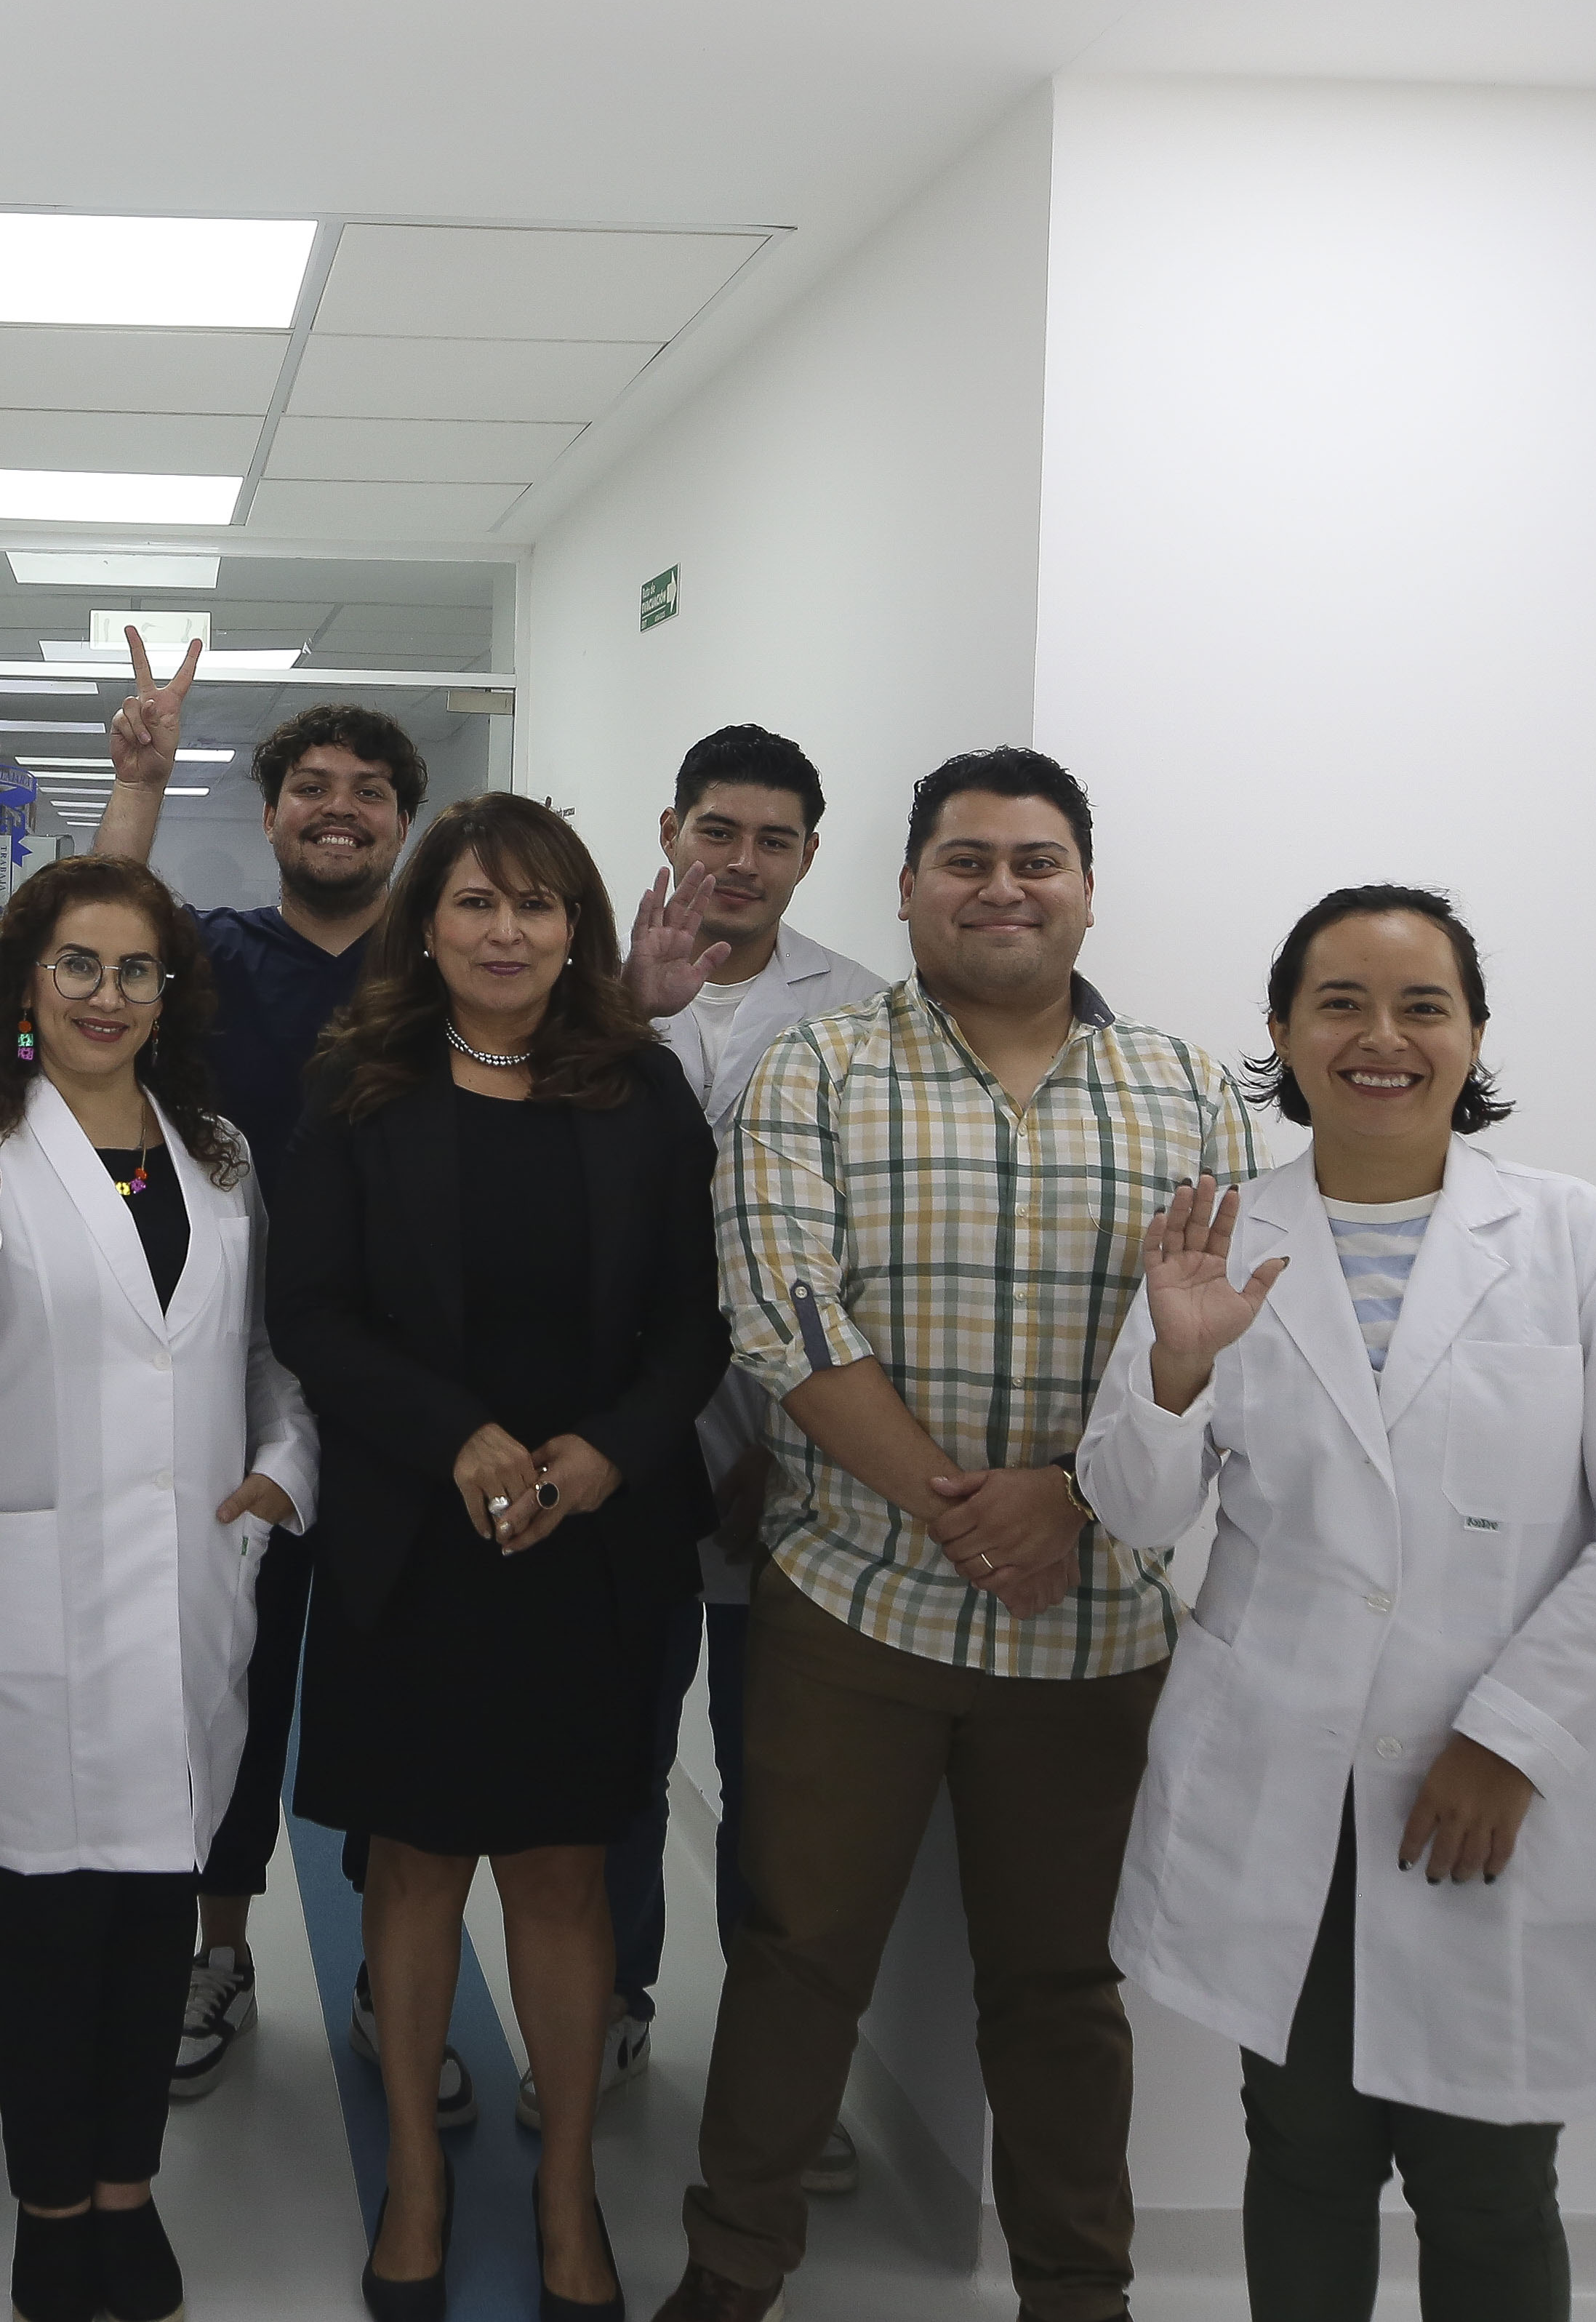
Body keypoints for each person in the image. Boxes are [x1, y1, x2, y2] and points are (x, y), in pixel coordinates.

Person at [655, 748, 1261, 2322]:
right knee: (797, 1956)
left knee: (1063, 1988)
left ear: (1085, 889)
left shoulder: (1192, 1090)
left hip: (1095, 1622)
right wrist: (966, 1508)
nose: (1003, 887)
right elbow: (782, 1312)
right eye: (967, 859)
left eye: (1036, 860)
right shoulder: (818, 1068)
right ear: (910, 884)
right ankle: (731, 2270)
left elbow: (1207, 1337)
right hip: (855, 1605)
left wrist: (1069, 1498)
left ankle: (1078, 2290)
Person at [1078, 886, 1596, 2322]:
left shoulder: (1575, 1238)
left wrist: (1512, 1736)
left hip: (1483, 1791)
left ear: (1473, 1033)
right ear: (1282, 1030)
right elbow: (1134, 1510)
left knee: (1487, 2179)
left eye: (1422, 1005)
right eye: (1340, 1004)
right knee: (1303, 2153)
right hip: (1282, 1784)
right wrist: (1175, 1367)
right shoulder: (1218, 1239)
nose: (1382, 1037)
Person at [272, 794, 732, 2322]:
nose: (506, 931)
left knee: (563, 1870)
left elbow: (693, 1325)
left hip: (589, 1549)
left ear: (575, 928)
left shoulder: (639, 1089)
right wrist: (453, 1434)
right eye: (475, 902)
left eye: (537, 905)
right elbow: (311, 1309)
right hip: (416, 1543)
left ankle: (562, 2191)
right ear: (427, 923)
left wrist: (604, 1451)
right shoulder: (359, 1084)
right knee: (413, 1863)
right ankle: (413, 2173)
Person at [0, 857, 320, 2322]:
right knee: (55, 1925)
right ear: (25, 984)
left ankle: (129, 2187)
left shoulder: (219, 1154)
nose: (106, 995)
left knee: (152, 1916)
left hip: (186, 1594)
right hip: (36, 1595)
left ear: (168, 993)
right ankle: (51, 2208)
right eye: (77, 965)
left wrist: (284, 1467)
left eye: (136, 970)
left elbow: (260, 1355)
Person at [90, 637, 457, 2115]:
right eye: (313, 785)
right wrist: (135, 781)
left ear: (402, 825)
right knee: (227, 1676)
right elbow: (94, 923)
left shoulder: (440, 969)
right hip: (226, 1380)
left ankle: (392, 1975)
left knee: (393, 1687)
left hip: (397, 1396)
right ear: (270, 813)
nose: (339, 807)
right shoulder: (213, 955)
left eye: (368, 791)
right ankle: (218, 1951)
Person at [556, 726, 883, 2192]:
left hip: (790, 1466)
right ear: (670, 830)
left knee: (779, 1791)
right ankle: (613, 2006)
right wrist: (625, 1015)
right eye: (716, 830)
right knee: (618, 1762)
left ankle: (775, 2082)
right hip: (620, 1456)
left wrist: (790, 1437)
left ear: (807, 855)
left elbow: (863, 1257)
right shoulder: (584, 993)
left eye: (772, 838)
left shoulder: (860, 1011)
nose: (739, 861)